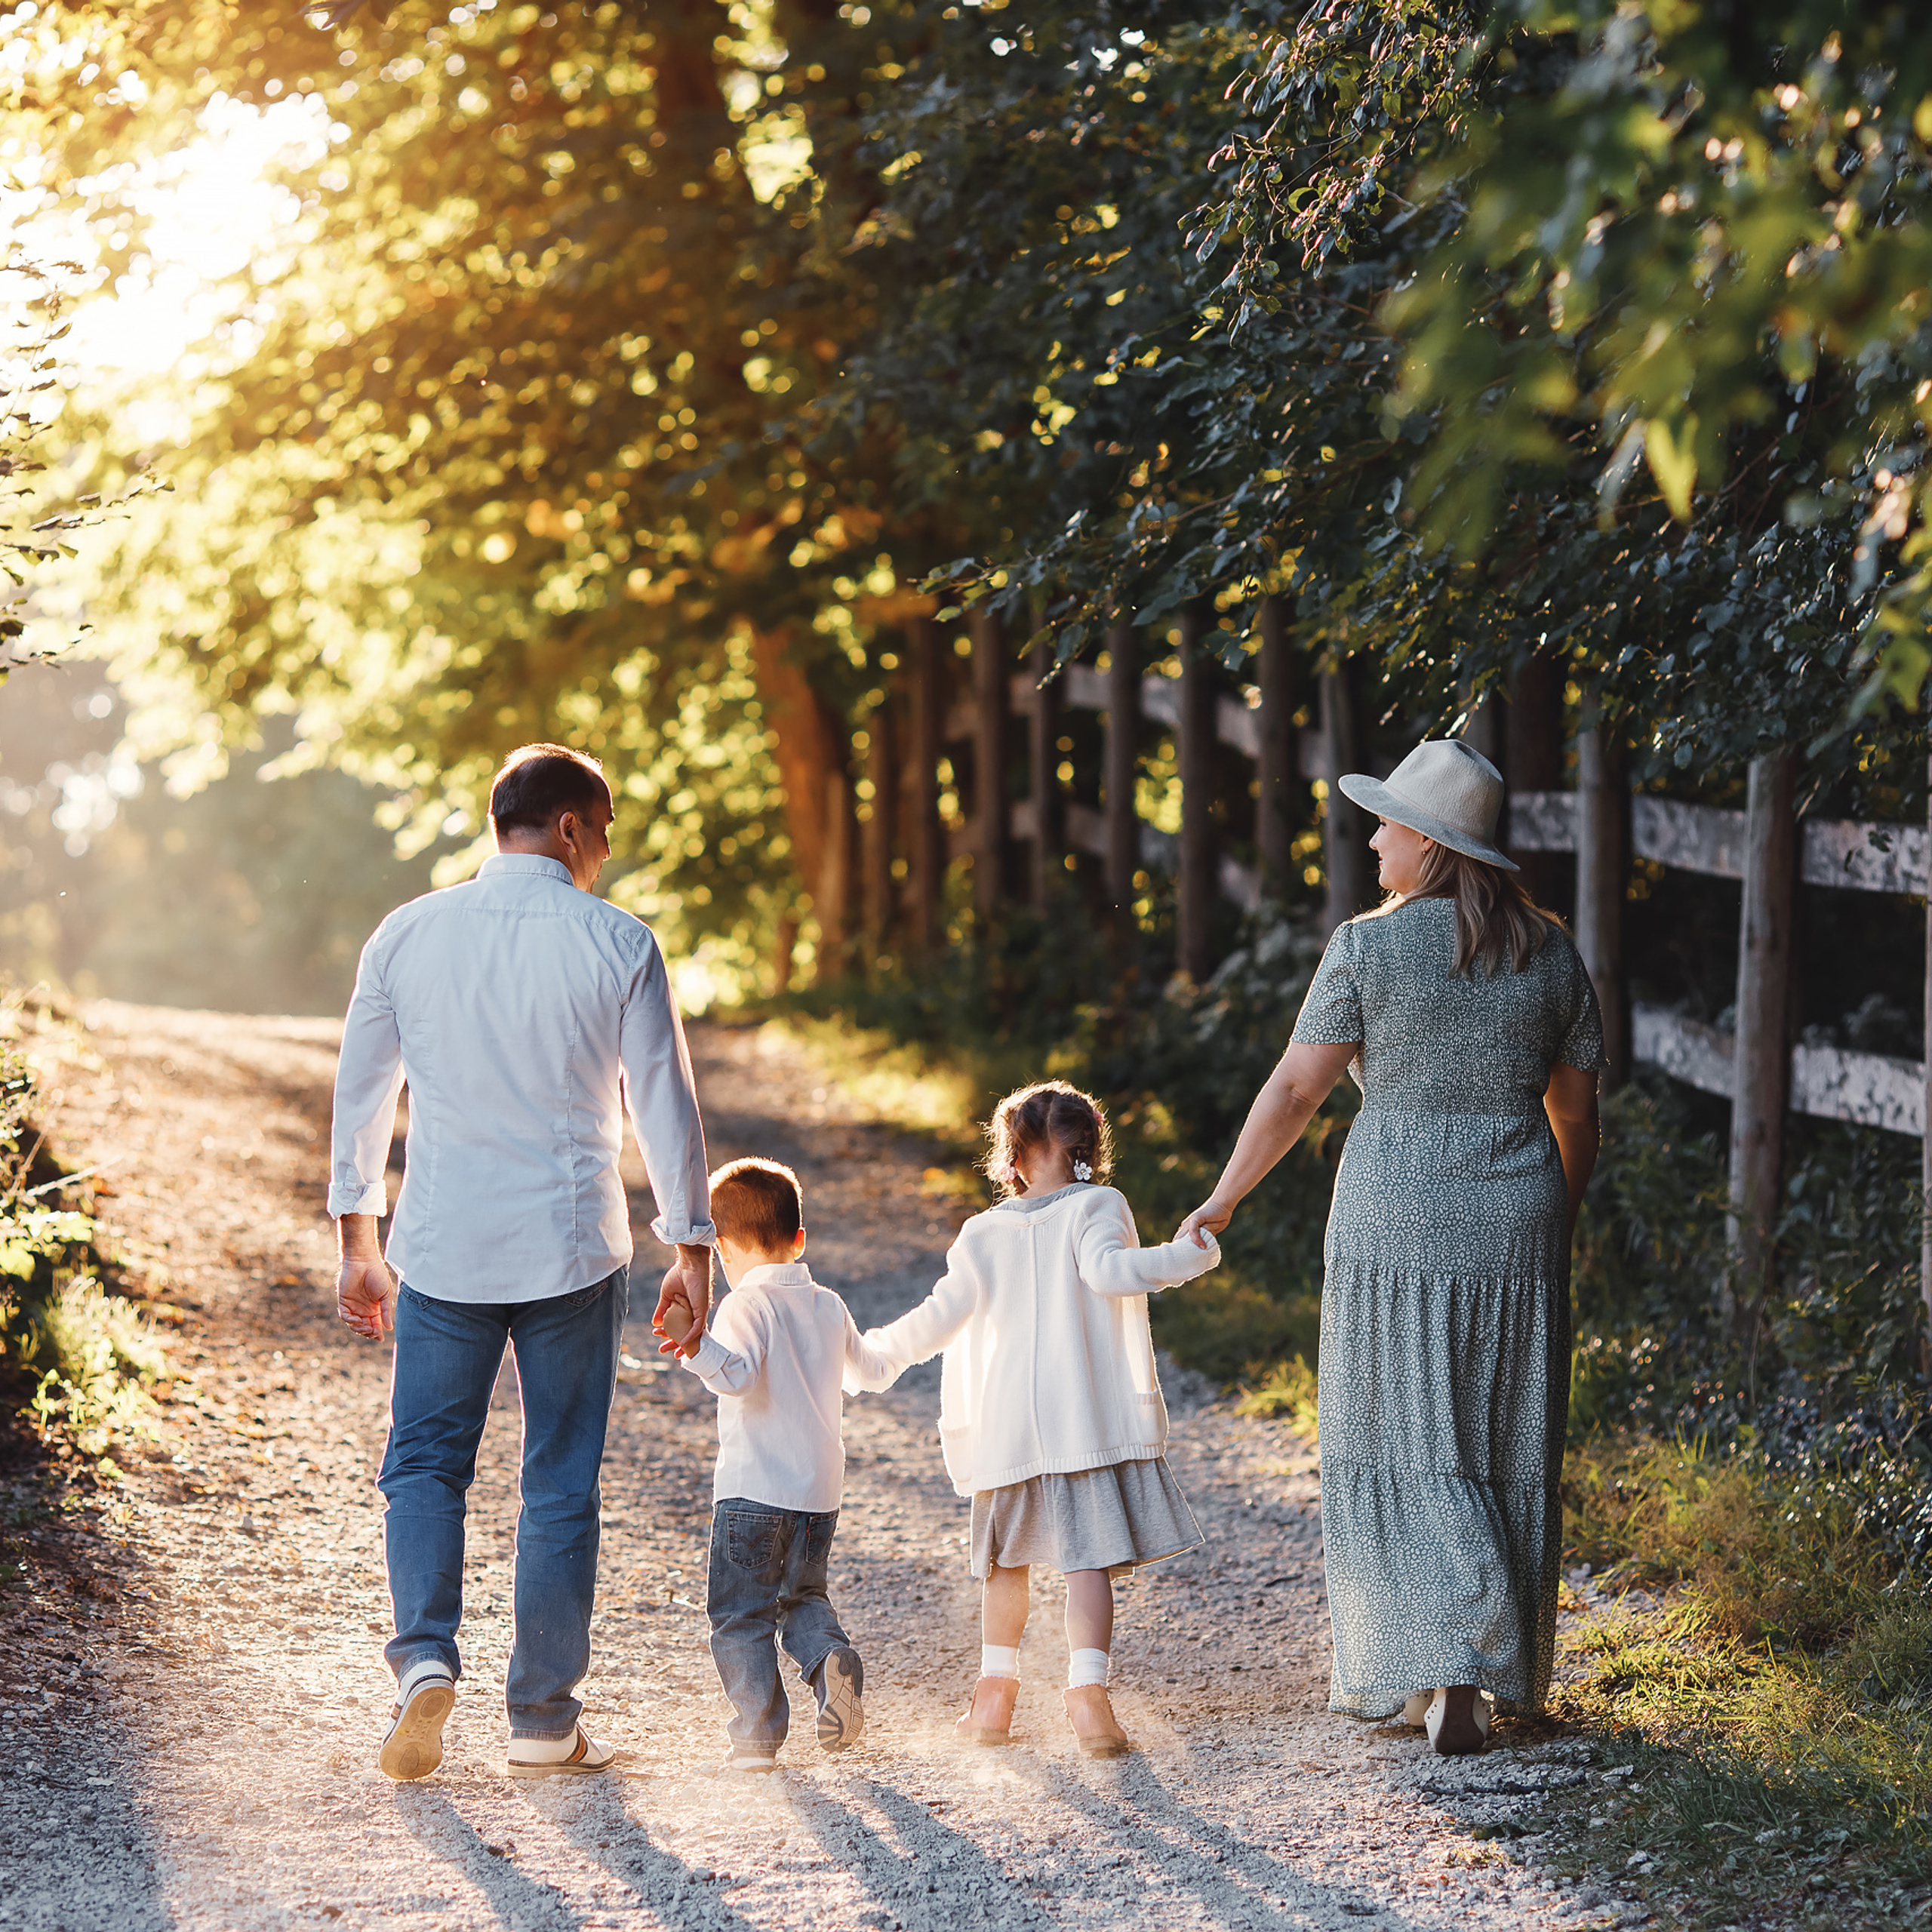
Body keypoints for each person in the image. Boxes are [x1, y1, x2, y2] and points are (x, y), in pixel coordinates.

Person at [1178, 737, 1601, 1757]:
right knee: (1499, 1433)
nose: (1373, 841)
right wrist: (1558, 1210)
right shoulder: (1553, 953)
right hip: (1518, 1208)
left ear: (1430, 844)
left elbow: (1293, 1092)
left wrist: (1224, 1198)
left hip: (1393, 1206)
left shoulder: (1366, 949)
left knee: (1402, 1430)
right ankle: (1474, 1665)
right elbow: (1579, 1113)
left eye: (1388, 825)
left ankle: (1440, 1663)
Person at [329, 743, 716, 1783]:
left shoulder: (407, 934)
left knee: (423, 1465)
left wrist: (356, 1240)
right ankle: (543, 1720)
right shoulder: (620, 942)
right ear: (571, 829)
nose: (605, 854)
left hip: (445, 1244)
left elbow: (362, 1097)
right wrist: (693, 1251)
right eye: (606, 834)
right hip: (572, 1247)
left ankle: (422, 1663)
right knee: (558, 1485)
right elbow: (664, 1110)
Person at [861, 1081, 1221, 1758]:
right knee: (1086, 1563)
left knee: (1006, 1567)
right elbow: (1116, 1273)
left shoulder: (982, 1231)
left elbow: (939, 1317)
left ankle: (994, 1697)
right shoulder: (1098, 1204)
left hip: (1008, 1432)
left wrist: (872, 1356)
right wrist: (1189, 1255)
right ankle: (1089, 1698)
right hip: (1079, 1423)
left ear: (1013, 1157)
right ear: (1086, 1150)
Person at [657, 1157, 901, 1772]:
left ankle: (757, 1739)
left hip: (753, 1493)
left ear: (725, 1251)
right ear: (799, 1238)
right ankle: (829, 1662)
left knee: (741, 1615)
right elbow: (869, 1372)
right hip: (818, 1495)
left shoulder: (744, 1304)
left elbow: (735, 1377)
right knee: (802, 1598)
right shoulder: (828, 1304)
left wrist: (696, 1347)